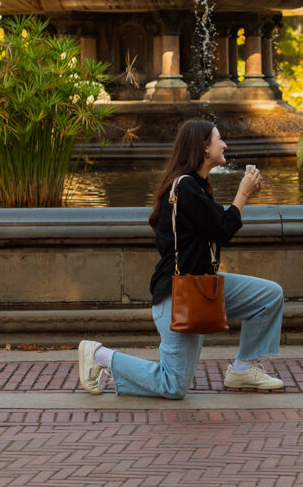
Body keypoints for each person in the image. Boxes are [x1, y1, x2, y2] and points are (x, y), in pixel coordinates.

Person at [77, 120, 285, 398]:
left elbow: (216, 227)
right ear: (203, 148)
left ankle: (243, 368)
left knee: (268, 296)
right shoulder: (185, 187)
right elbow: (223, 229)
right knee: (173, 386)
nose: (224, 144)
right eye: (218, 139)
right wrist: (243, 194)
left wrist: (242, 197)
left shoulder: (196, 186)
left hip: (202, 286)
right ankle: (100, 355)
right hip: (179, 297)